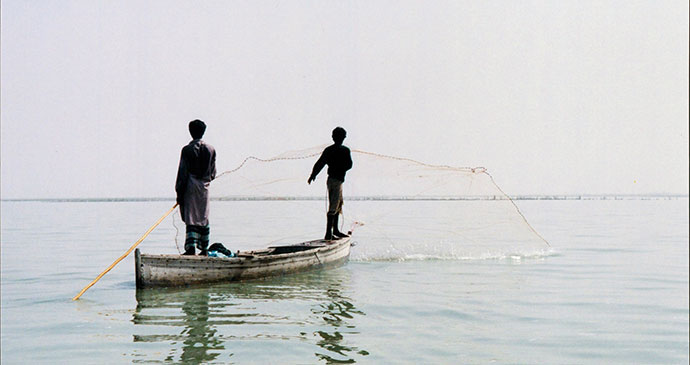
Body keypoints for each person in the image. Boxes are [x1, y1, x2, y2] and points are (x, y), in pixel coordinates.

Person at [176, 119, 216, 255]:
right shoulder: (211, 149)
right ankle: (204, 248)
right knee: (203, 216)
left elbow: (182, 173)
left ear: (190, 132)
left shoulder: (187, 150)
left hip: (191, 187)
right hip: (204, 188)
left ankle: (191, 248)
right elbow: (213, 173)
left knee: (190, 216)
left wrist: (179, 193)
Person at [307, 127, 353, 240]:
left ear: (333, 137)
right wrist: (313, 174)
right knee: (334, 206)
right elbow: (349, 165)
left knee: (338, 204)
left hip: (333, 180)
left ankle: (335, 230)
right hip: (336, 181)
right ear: (343, 138)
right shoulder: (345, 150)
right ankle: (329, 233)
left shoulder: (329, 150)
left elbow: (320, 163)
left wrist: (313, 174)